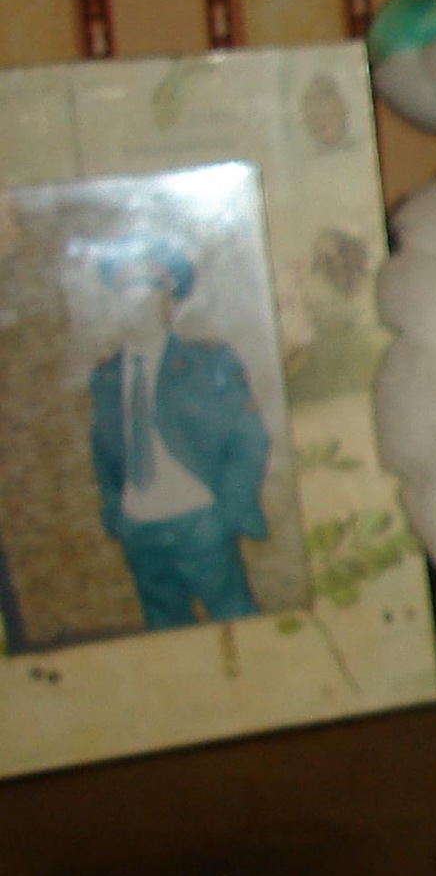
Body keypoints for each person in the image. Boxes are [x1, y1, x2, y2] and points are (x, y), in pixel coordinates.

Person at [82, 235, 269, 630]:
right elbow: (103, 451)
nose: (141, 311)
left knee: (236, 623)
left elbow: (249, 438)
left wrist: (227, 512)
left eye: (151, 299)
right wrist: (117, 514)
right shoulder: (106, 377)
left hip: (201, 523)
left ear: (169, 303)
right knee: (165, 633)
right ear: (119, 306)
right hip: (140, 531)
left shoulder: (207, 362)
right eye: (130, 300)